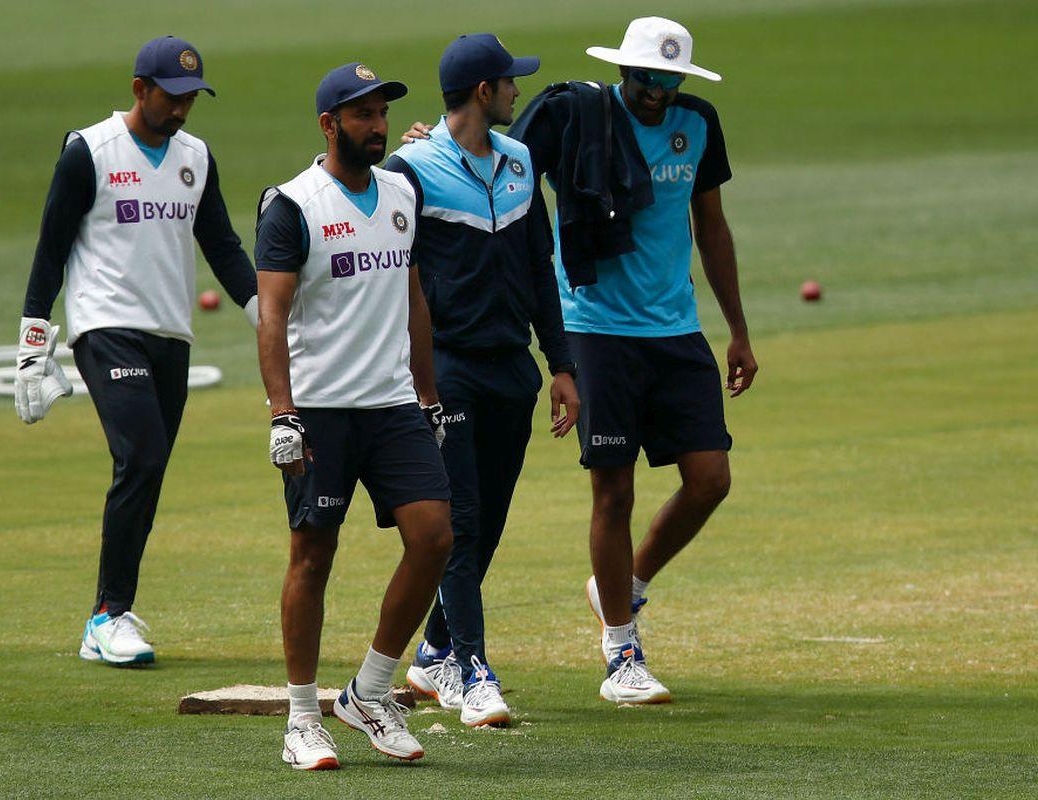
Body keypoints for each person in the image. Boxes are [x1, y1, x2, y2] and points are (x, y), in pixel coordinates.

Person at [404, 15, 759, 705]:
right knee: (614, 491)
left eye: (670, 79)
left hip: (676, 327)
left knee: (710, 478)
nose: (659, 90)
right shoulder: (573, 118)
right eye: (648, 77)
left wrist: (737, 329)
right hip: (595, 326)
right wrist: (433, 145)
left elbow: (710, 225)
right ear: (625, 71)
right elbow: (497, 159)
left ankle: (619, 589)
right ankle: (621, 653)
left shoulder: (700, 123)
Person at [15, 36, 258, 667]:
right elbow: (51, 248)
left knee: (147, 471)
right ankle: (108, 615)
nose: (181, 110)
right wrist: (32, 343)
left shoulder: (195, 158)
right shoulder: (89, 151)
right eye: (171, 97)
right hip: (105, 325)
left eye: (191, 99)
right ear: (139, 89)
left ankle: (110, 610)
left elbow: (223, 247)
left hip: (170, 334)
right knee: (142, 454)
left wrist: (270, 317)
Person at [255, 62, 454, 771]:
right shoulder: (292, 204)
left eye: (381, 114)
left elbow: (414, 300)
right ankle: (302, 717)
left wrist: (428, 397)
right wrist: (283, 414)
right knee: (314, 554)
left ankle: (368, 693)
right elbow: (271, 315)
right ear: (328, 124)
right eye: (362, 114)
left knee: (434, 538)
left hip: (394, 403)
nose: (377, 126)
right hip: (320, 410)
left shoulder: (402, 191)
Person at [383, 34, 579, 728]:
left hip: (510, 369)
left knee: (488, 521)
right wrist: (412, 377)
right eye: (509, 82)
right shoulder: (411, 168)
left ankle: (436, 649)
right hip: (448, 372)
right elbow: (389, 274)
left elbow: (539, 272)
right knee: (460, 523)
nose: (518, 91)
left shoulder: (522, 162)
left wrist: (560, 365)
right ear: (480, 92)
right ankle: (472, 669)